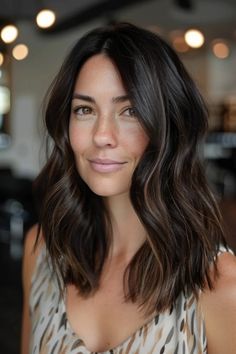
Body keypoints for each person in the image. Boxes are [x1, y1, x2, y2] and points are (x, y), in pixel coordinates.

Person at [21, 22, 236, 354]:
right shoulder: (42, 251)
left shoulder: (221, 284)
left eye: (130, 111)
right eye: (84, 110)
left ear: (169, 125)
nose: (102, 135)